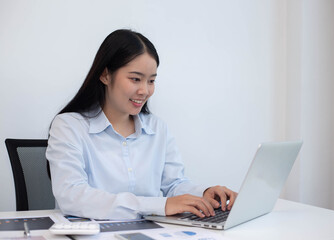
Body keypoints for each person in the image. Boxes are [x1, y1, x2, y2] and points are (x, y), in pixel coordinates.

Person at [46, 29, 237, 220]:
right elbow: (72, 196)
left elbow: (173, 184)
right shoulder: (69, 127)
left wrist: (204, 193)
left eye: (151, 81)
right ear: (105, 75)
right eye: (135, 79)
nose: (145, 90)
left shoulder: (157, 127)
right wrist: (157, 205)